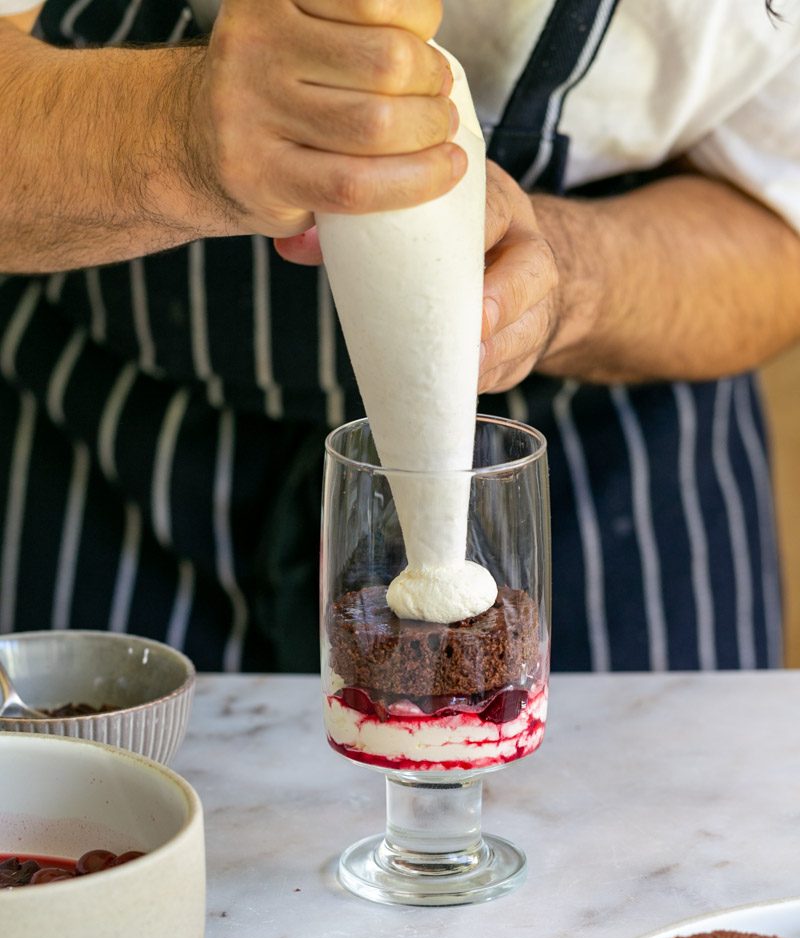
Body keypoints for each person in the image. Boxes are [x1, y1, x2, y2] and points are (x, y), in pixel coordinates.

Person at [1, 0, 797, 673]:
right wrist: (170, 130)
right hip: (107, 439)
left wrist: (566, 277)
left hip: (608, 461)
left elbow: (780, 229)